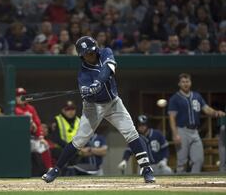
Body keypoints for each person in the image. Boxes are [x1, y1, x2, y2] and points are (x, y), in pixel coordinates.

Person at [42, 36, 155, 183]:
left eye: (92, 51)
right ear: (82, 56)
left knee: (131, 132)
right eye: (87, 53)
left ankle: (146, 168)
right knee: (79, 140)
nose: (91, 55)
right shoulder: (83, 74)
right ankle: (56, 169)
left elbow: (108, 69)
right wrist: (88, 92)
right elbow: (87, 95)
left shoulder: (106, 52)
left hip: (114, 103)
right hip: (93, 107)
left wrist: (97, 82)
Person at [168, 73, 226, 173]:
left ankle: (193, 184)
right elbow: (172, 118)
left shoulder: (196, 96)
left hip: (194, 131)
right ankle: (178, 186)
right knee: (182, 162)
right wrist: (175, 134)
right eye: (183, 82)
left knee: (198, 159)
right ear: (179, 84)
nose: (185, 84)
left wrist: (216, 113)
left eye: (187, 81)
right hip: (182, 130)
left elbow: (206, 109)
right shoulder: (175, 98)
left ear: (190, 83)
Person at [14, 87, 53, 176]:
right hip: (18, 140)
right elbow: (21, 116)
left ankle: (49, 169)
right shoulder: (13, 108)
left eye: (23, 95)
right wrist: (29, 121)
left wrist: (41, 137)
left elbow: (38, 124)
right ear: (15, 98)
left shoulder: (31, 108)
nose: (21, 97)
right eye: (19, 96)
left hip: (30, 139)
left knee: (43, 145)